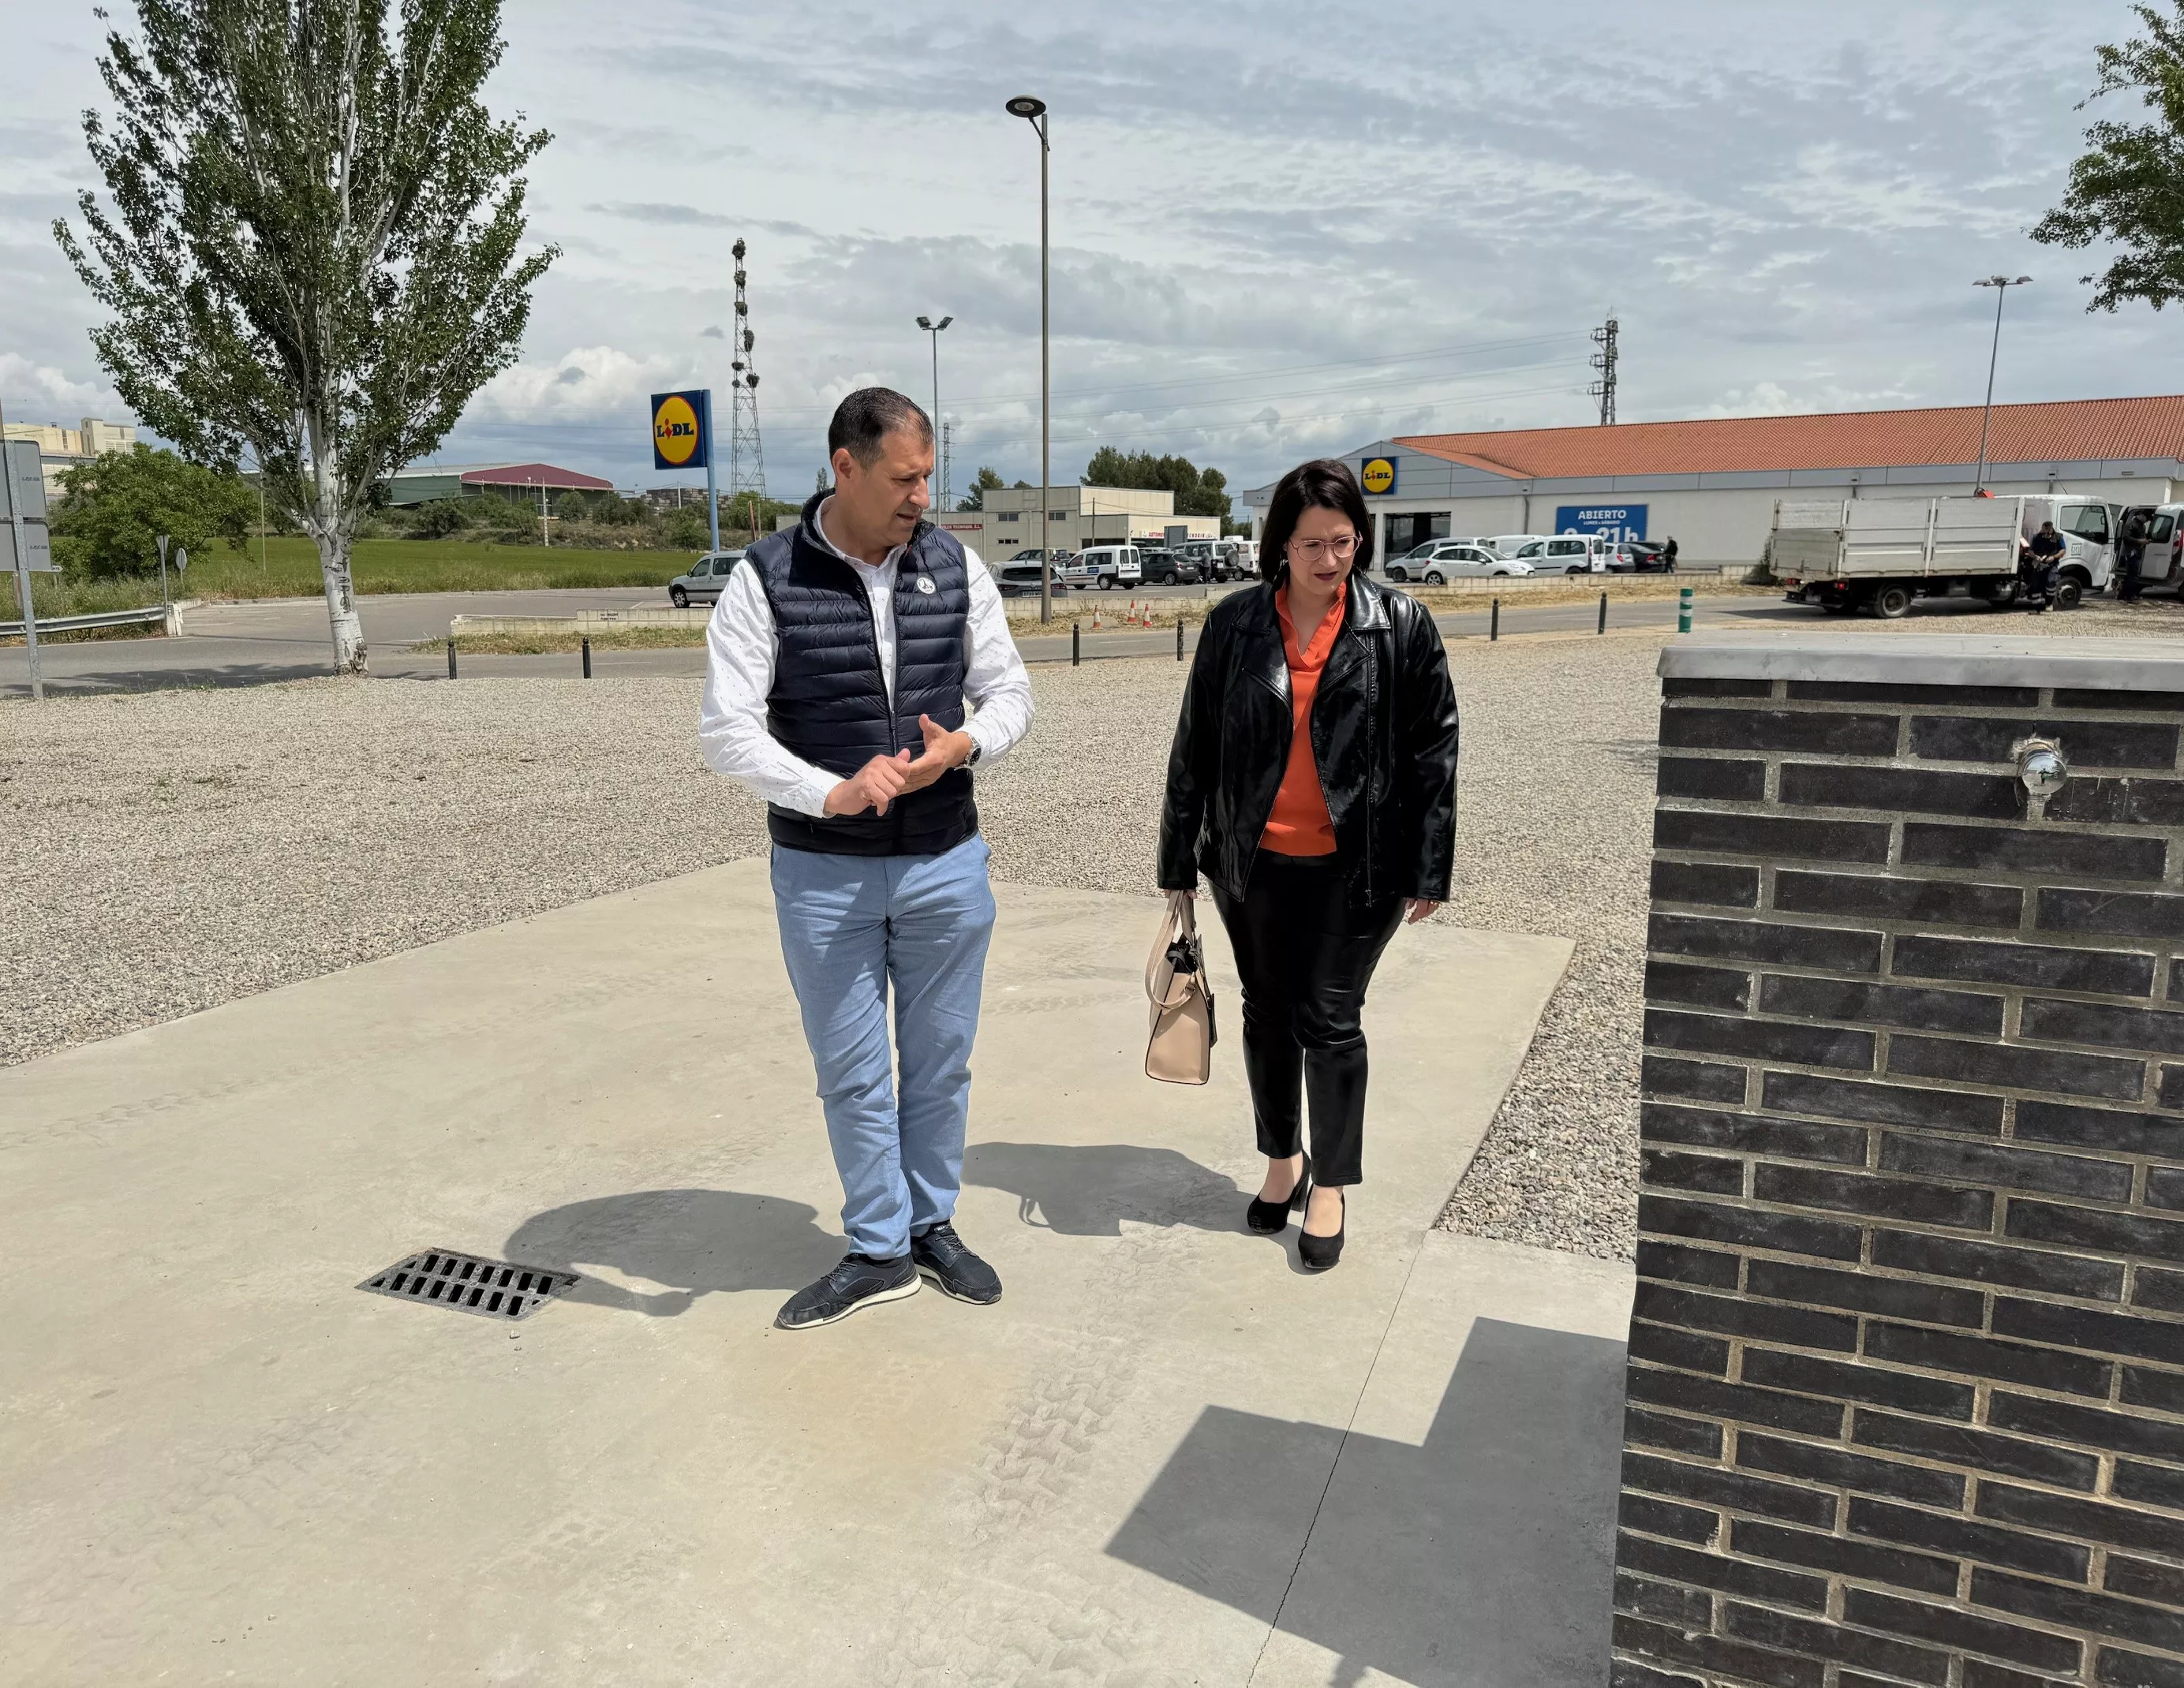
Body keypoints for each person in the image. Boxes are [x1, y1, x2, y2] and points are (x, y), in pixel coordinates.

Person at [700, 387, 1034, 1330]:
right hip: (822, 872)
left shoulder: (954, 565)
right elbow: (724, 729)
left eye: (929, 476)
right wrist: (827, 790)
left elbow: (1009, 691)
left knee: (940, 1063)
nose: (921, 496)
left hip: (943, 861)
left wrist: (962, 745)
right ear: (844, 467)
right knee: (852, 1072)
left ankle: (932, 1225)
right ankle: (878, 1245)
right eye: (903, 478)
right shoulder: (762, 579)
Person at [1157, 459, 1459, 1273]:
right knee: (1264, 1012)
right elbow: (1195, 745)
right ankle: (1281, 1161)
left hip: (1355, 867)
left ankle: (1329, 1183)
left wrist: (1430, 864)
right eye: (1310, 545)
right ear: (1278, 547)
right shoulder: (1233, 627)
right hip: (1250, 862)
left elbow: (1433, 749)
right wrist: (1177, 855)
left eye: (1342, 541)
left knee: (1328, 1016)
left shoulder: (1399, 624)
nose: (1329, 560)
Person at [2025, 520, 2066, 611]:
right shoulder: (2037, 537)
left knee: (2051, 582)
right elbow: (2030, 551)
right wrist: (2036, 557)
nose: (2047, 534)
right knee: (2035, 584)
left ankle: (2049, 603)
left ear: (2051, 529)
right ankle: (2037, 606)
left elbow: (2063, 550)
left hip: (2052, 564)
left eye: (2048, 531)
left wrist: (2054, 557)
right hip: (2039, 564)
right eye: (2045, 531)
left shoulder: (2058, 537)